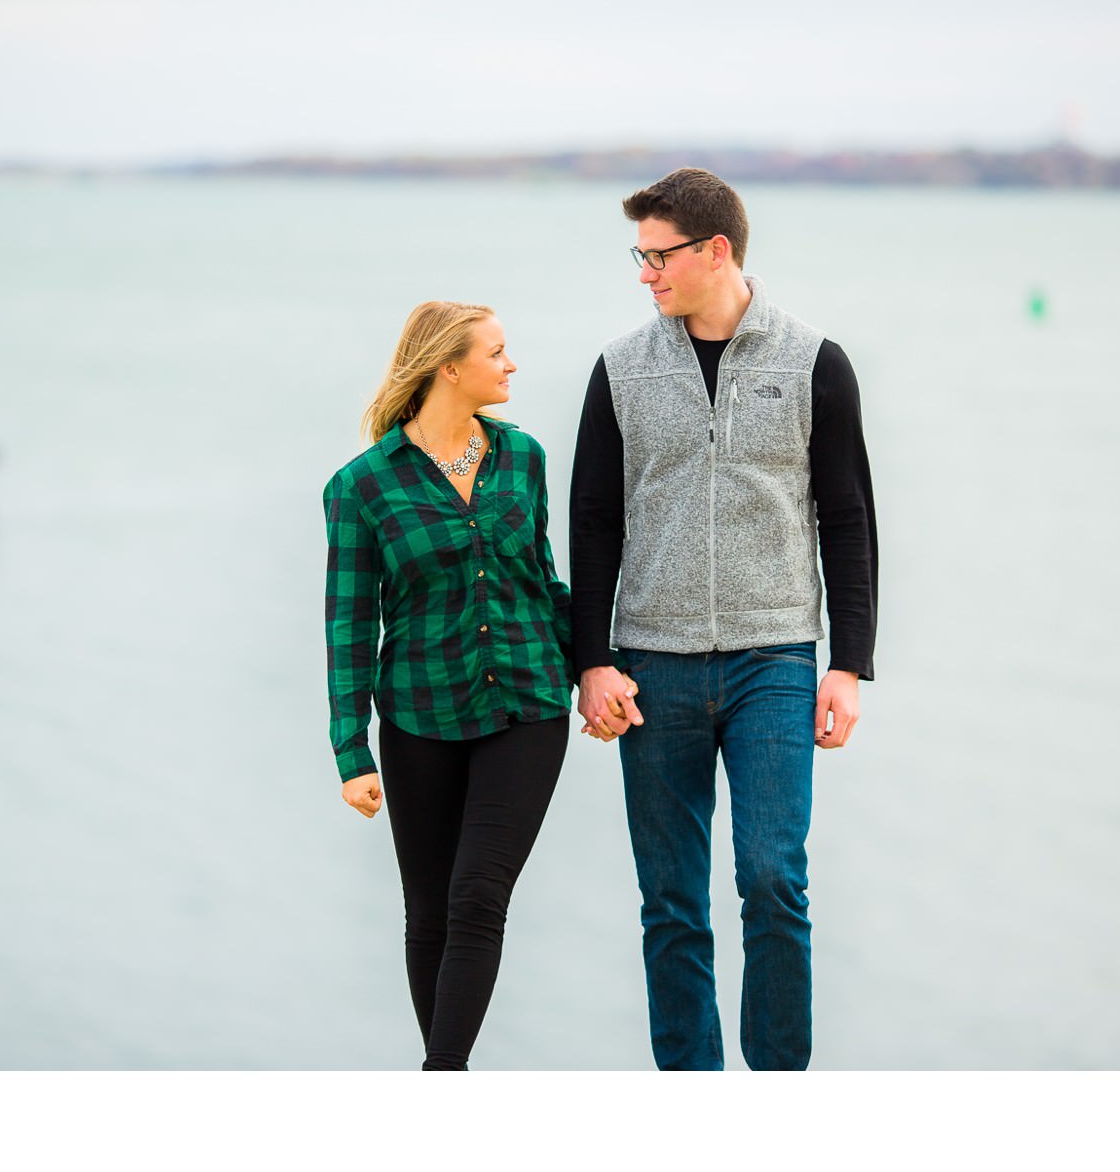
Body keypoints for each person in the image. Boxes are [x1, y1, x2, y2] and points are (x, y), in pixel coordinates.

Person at [569, 168, 879, 1071]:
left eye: (658, 256)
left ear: (716, 252)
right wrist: (591, 662)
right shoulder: (620, 370)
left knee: (773, 878)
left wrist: (848, 665)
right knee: (670, 899)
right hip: (650, 664)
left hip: (774, 659)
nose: (645, 274)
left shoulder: (815, 363)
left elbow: (849, 517)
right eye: (640, 256)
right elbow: (592, 521)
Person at [323, 300, 631, 1070]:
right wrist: (350, 750)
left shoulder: (522, 457)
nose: (512, 364)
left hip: (526, 702)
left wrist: (594, 668)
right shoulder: (361, 487)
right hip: (419, 715)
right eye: (497, 352)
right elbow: (350, 625)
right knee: (427, 913)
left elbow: (542, 579)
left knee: (477, 897)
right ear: (447, 368)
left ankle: (440, 1080)